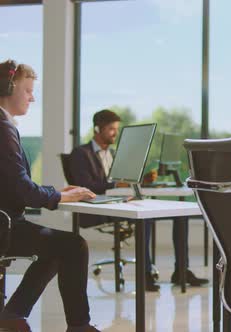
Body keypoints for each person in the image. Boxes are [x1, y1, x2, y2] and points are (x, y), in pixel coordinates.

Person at [0, 59, 99, 332]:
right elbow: (22, 190)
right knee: (73, 246)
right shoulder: (3, 128)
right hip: (5, 226)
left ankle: (13, 314)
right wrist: (60, 197)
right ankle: (79, 326)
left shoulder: (5, 126)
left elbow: (13, 184)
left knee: (57, 249)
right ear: (8, 88)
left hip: (6, 220)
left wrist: (55, 192)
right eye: (27, 90)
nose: (32, 97)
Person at [69, 110, 207, 292]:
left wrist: (141, 180)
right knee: (146, 217)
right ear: (97, 128)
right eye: (111, 129)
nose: (115, 134)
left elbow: (119, 180)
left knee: (180, 216)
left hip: (120, 202)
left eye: (117, 129)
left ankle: (181, 271)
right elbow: (85, 185)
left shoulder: (112, 153)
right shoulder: (81, 153)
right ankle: (145, 274)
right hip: (100, 208)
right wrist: (117, 183)